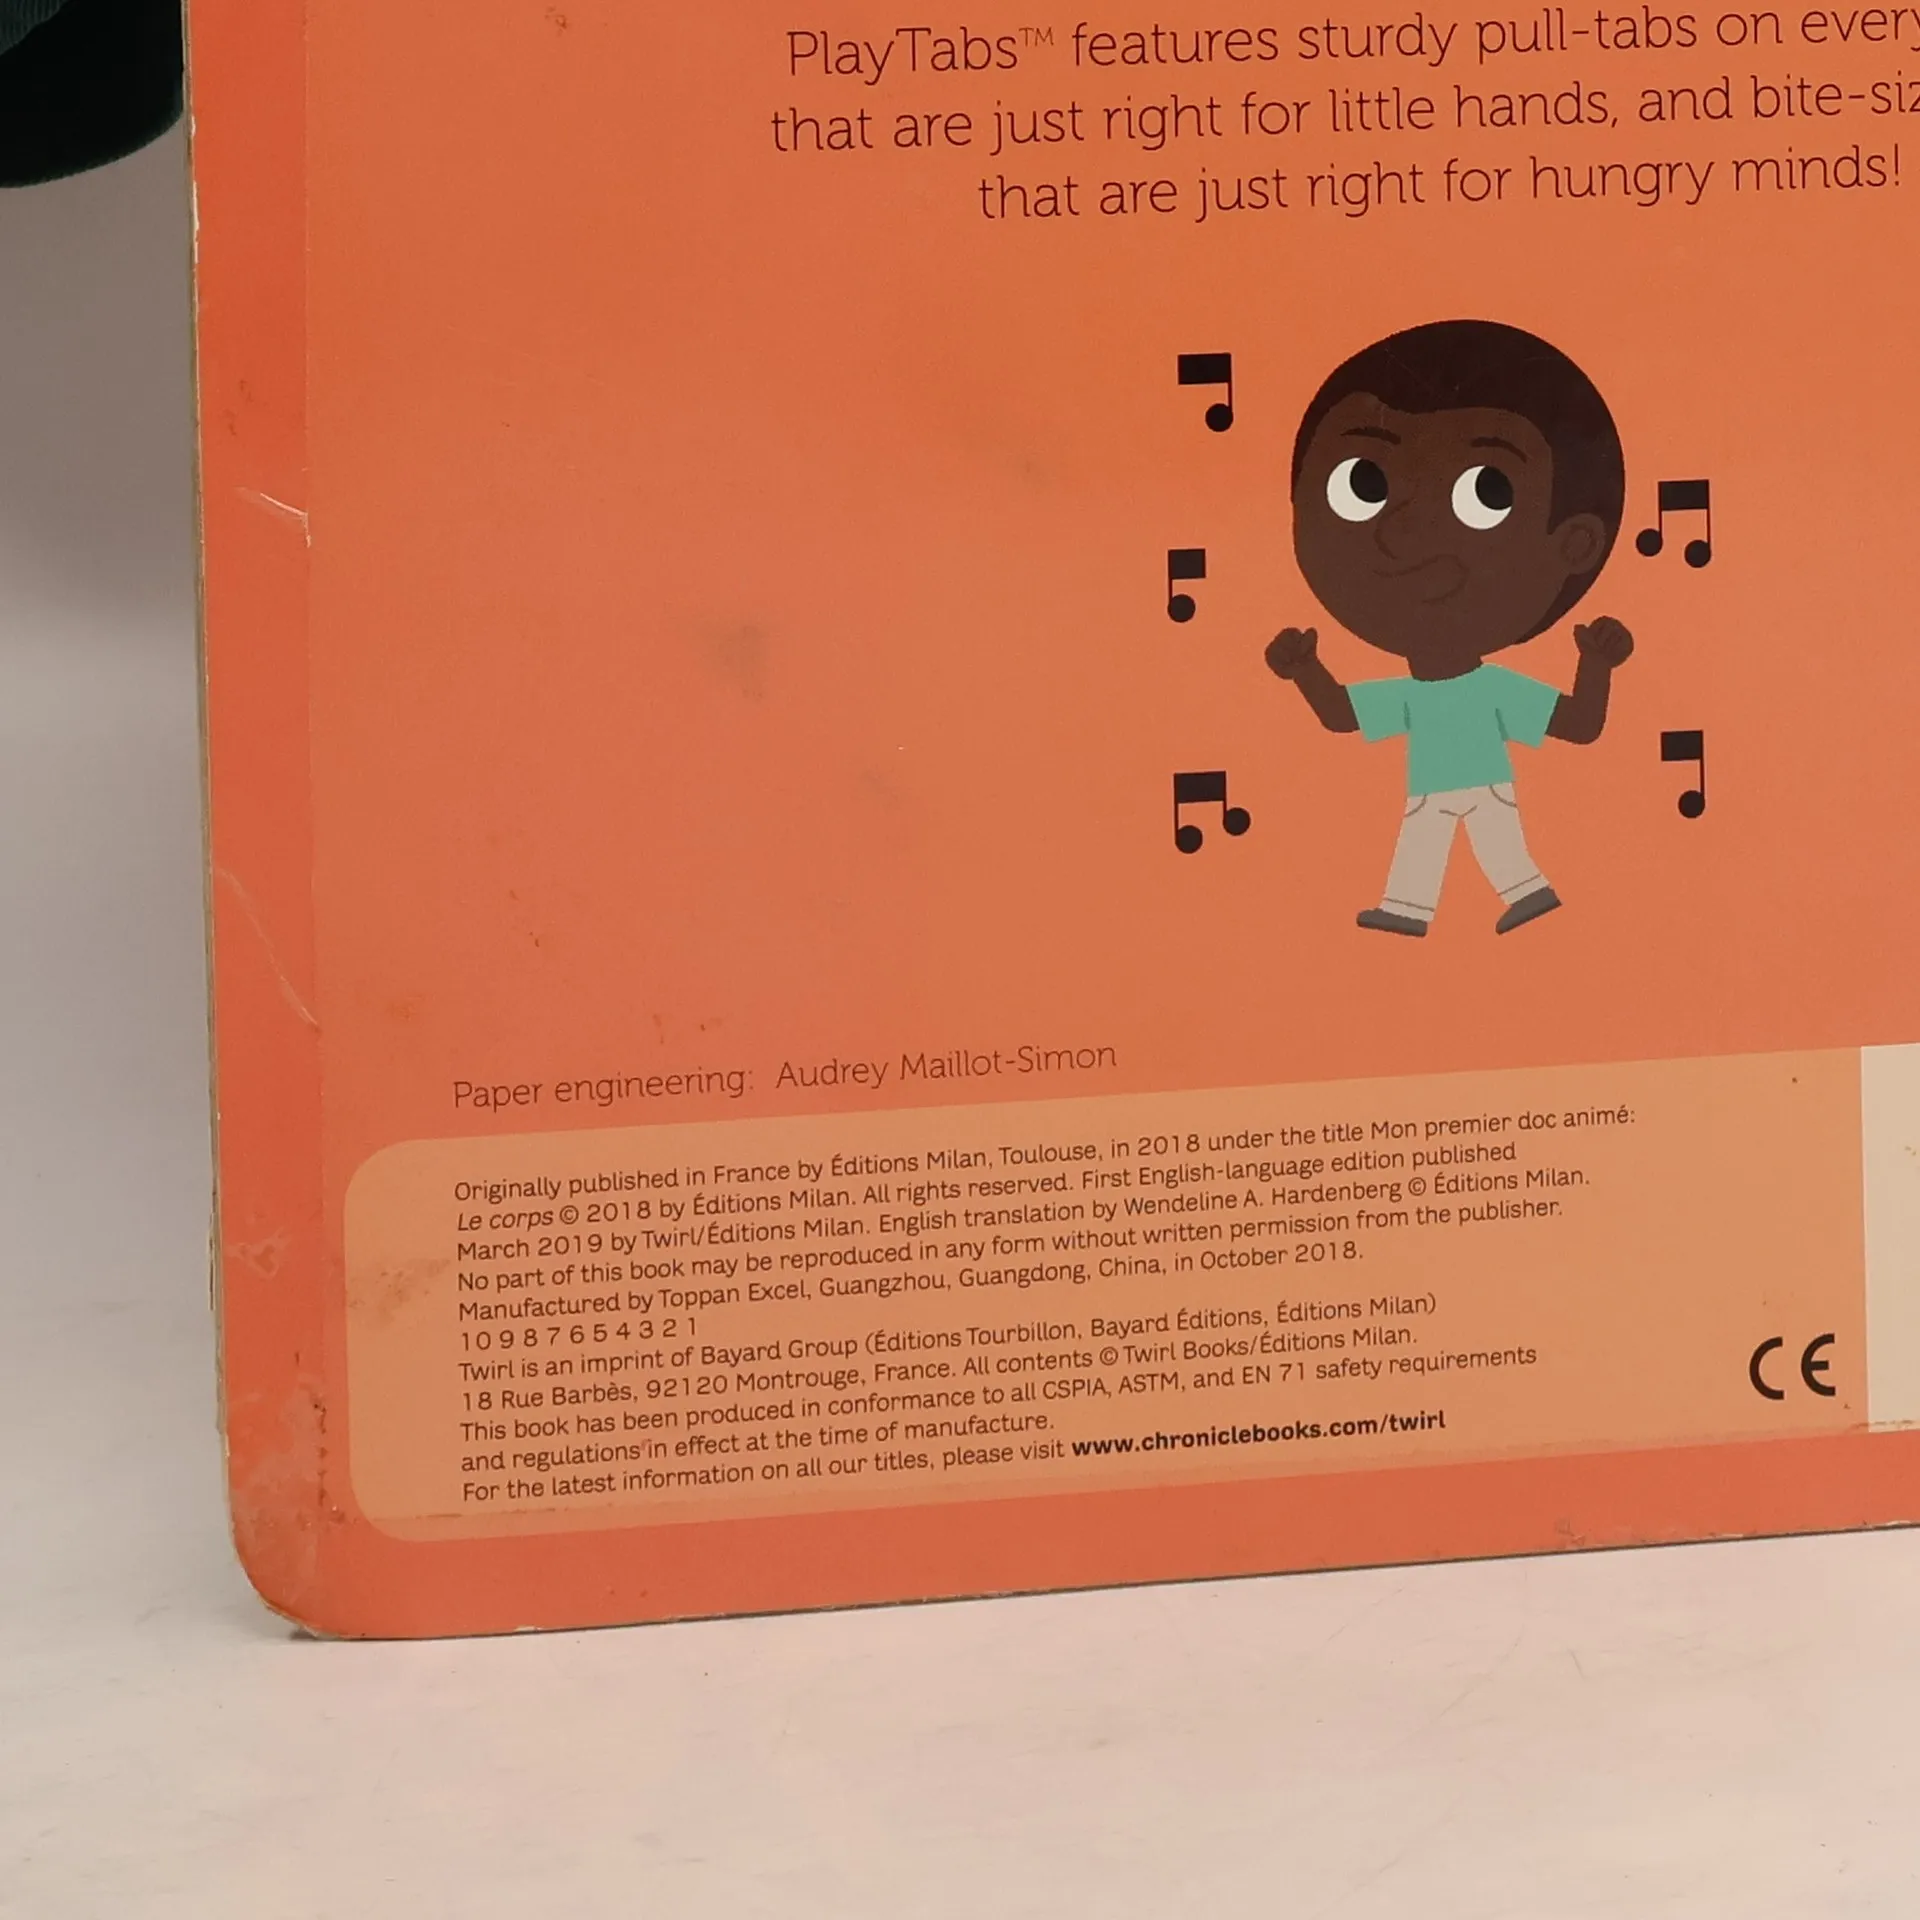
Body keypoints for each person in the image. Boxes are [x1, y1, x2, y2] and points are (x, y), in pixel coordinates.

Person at [1265, 318, 1633, 937]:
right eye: (1363, 483)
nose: (1403, 531)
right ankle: (1449, 904)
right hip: (1444, 785)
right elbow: (1338, 714)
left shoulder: (1493, 690)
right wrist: (1305, 669)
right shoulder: (1429, 694)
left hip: (1472, 784)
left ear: (1573, 544)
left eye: (1488, 492)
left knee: (1465, 837)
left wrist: (1596, 664)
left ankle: (1505, 896)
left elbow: (1581, 726)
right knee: (1447, 836)